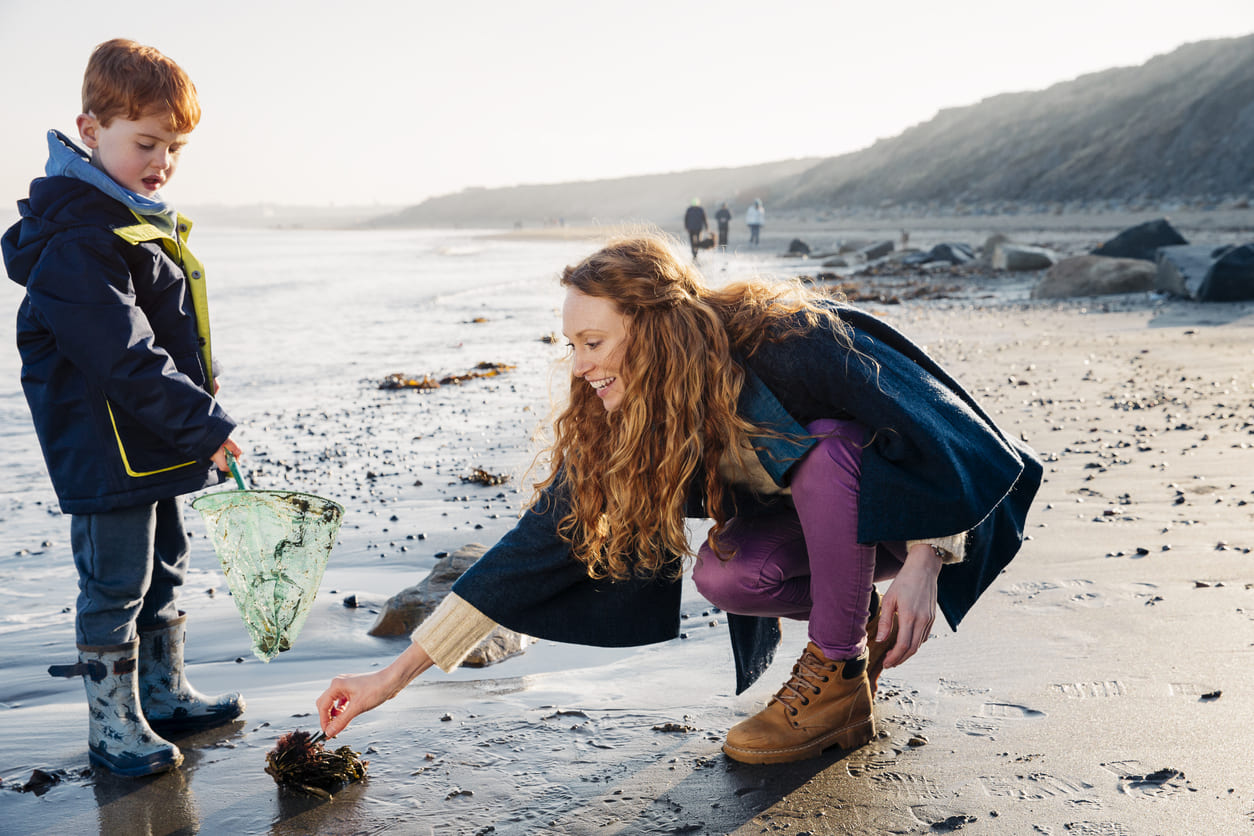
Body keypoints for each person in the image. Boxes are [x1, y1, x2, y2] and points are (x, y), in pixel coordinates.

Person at [316, 234, 1040, 766]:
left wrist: (925, 561)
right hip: (837, 532)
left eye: (593, 341)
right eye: (570, 344)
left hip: (935, 510)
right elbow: (532, 549)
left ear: (654, 327)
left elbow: (942, 436)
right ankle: (847, 639)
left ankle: (835, 671)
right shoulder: (626, 415)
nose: (580, 366)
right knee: (725, 574)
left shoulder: (789, 342)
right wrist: (390, 677)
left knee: (829, 448)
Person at [2, 39, 245, 778]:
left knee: (166, 565)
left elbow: (170, 338)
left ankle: (163, 694)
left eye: (173, 147)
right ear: (89, 129)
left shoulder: (130, 216)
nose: (161, 160)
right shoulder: (77, 237)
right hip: (106, 448)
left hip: (154, 439)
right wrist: (203, 426)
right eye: (145, 142)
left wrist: (197, 419)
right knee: (114, 583)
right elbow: (123, 354)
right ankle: (113, 727)